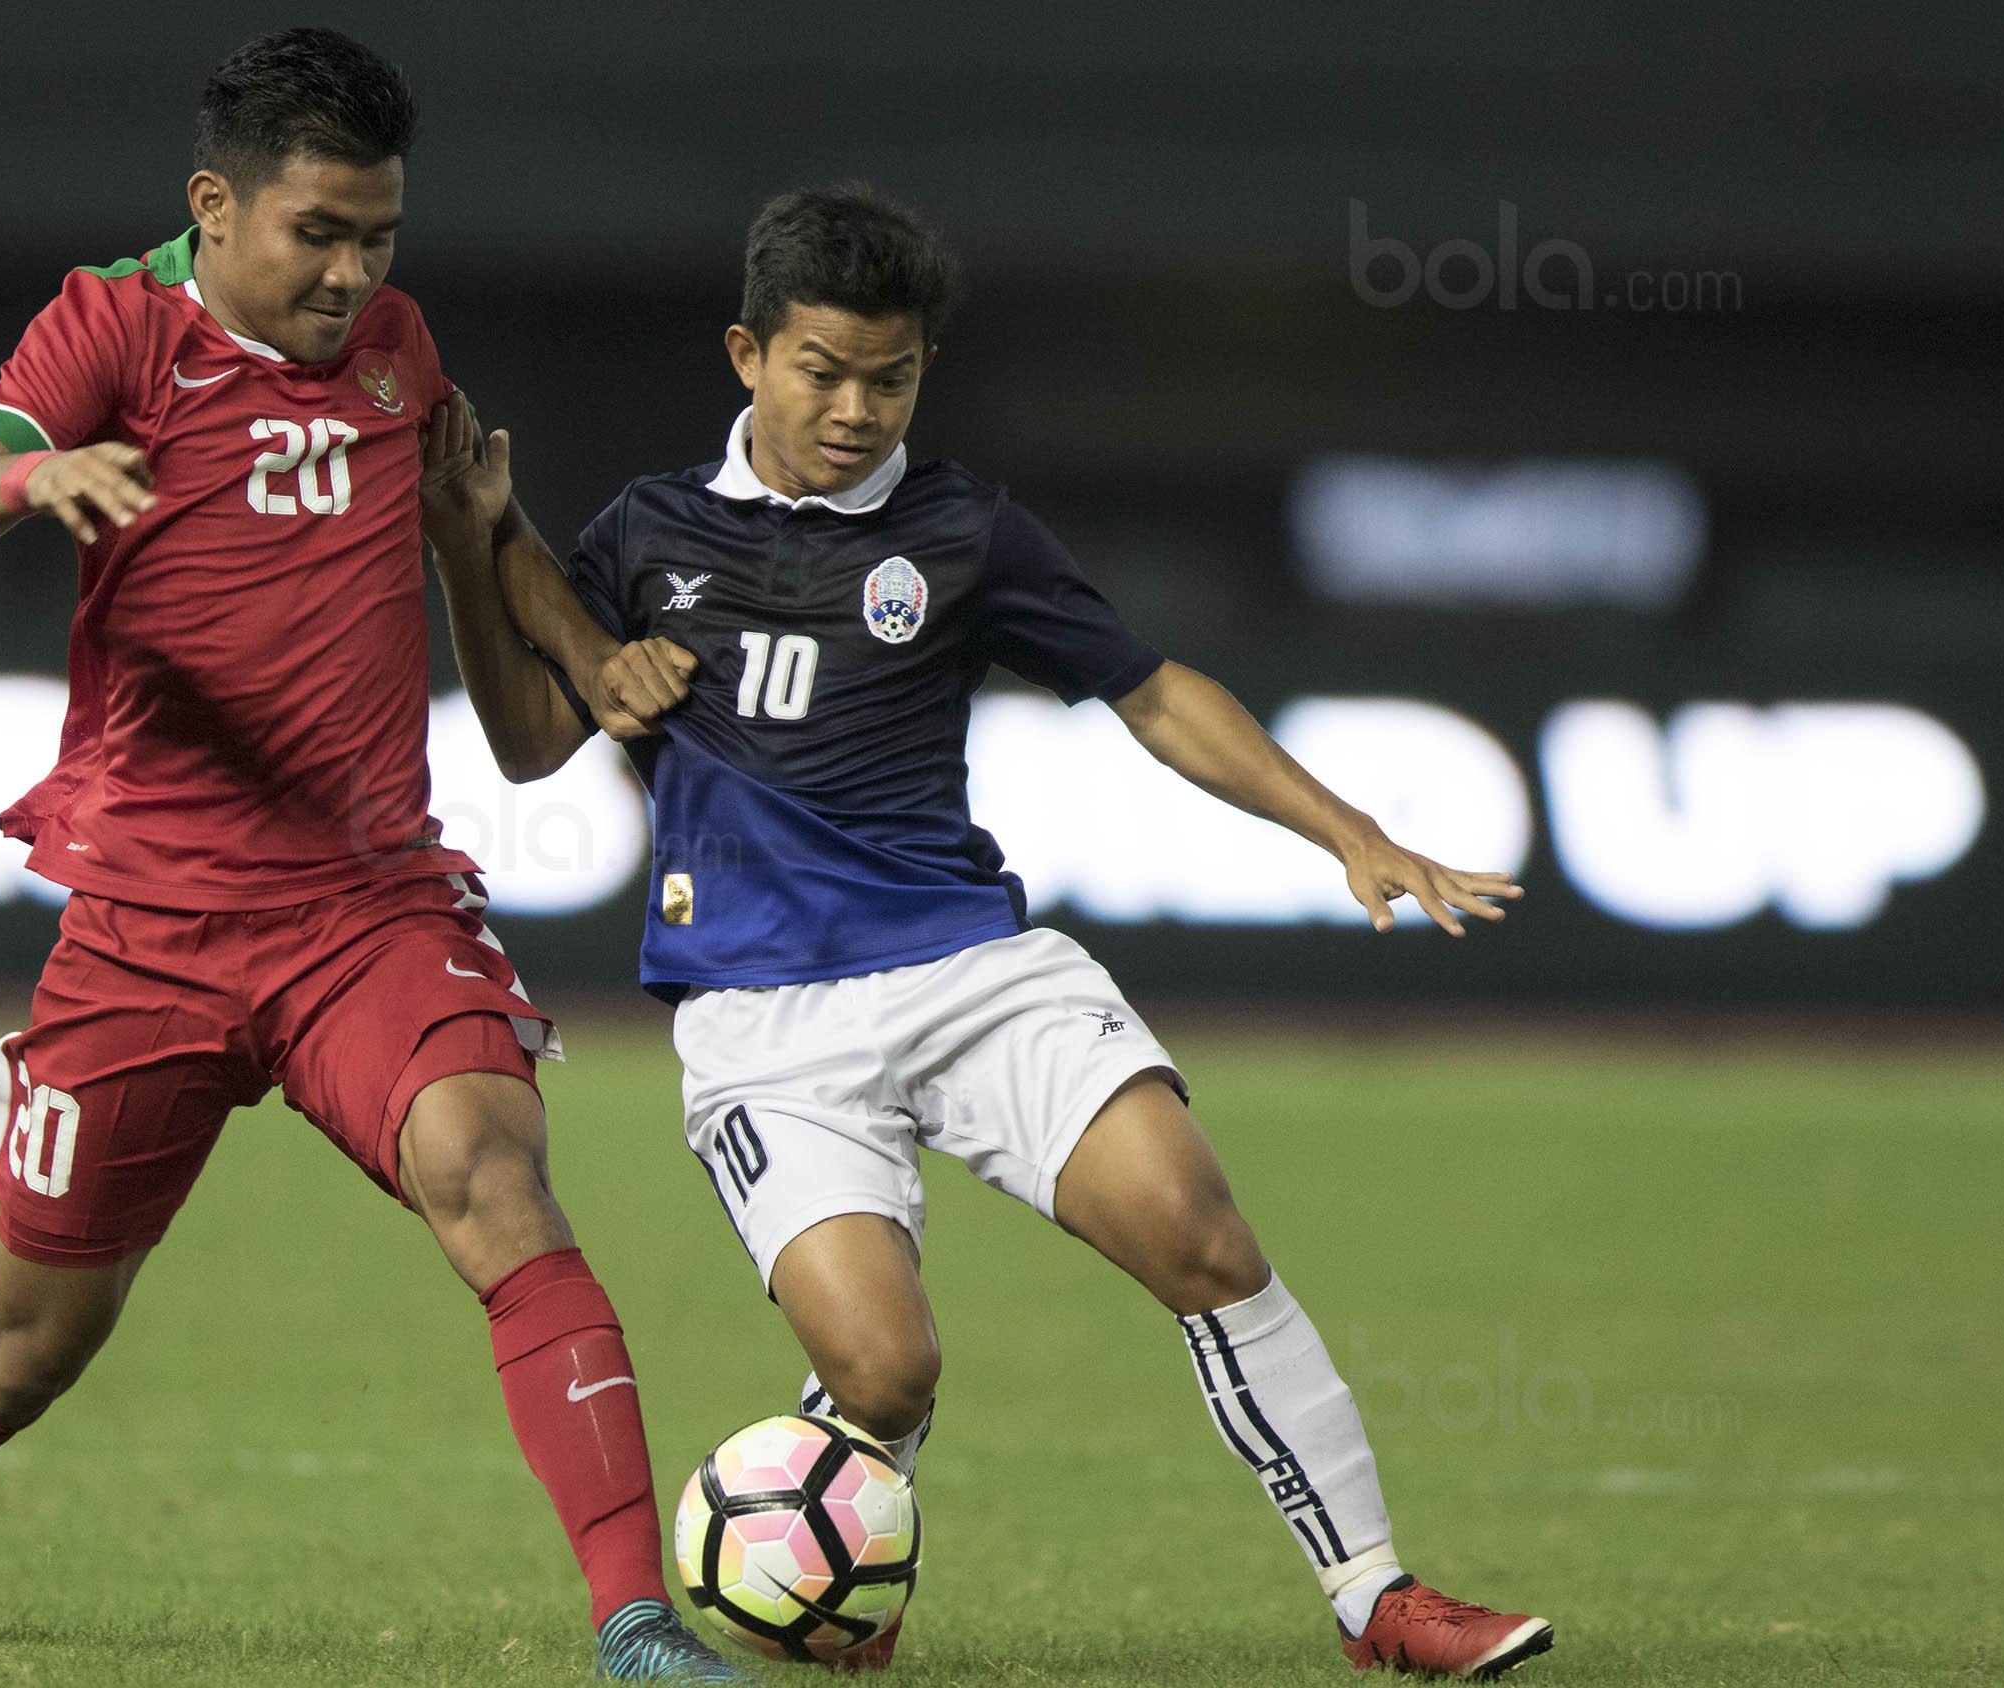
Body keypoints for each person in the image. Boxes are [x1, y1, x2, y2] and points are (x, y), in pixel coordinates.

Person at [417, 183, 1556, 1680]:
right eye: (823, 371)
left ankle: (1377, 1598)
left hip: (972, 970)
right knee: (885, 1372)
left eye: (890, 379)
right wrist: (471, 548)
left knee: (1202, 1234)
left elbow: (1154, 692)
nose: (855, 410)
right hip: (764, 1022)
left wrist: (1349, 831)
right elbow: (524, 745)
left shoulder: (963, 530)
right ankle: (837, 1541)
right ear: (747, 355)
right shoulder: (648, 533)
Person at [0, 30, 741, 1682]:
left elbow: (484, 529)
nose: (352, 274)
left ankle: (635, 1622)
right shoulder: (113, 326)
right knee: (23, 1354)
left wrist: (591, 662)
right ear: (214, 207)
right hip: (147, 928)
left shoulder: (396, 350)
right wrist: (40, 471)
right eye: (319, 235)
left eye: (380, 237)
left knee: (497, 1179)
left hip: (367, 907)